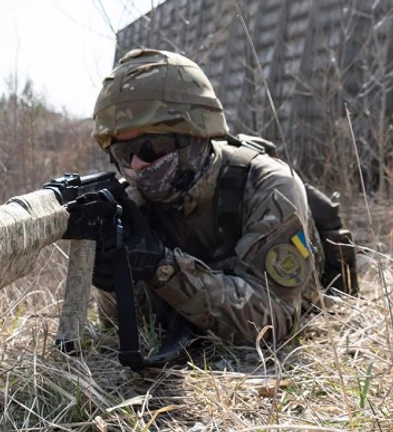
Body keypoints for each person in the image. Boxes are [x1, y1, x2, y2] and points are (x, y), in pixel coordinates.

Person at [89, 48, 352, 350]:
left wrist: (163, 268)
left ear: (198, 134)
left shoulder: (269, 185)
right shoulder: (135, 201)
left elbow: (273, 320)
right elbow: (124, 329)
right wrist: (114, 282)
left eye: (152, 147)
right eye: (123, 153)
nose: (136, 165)